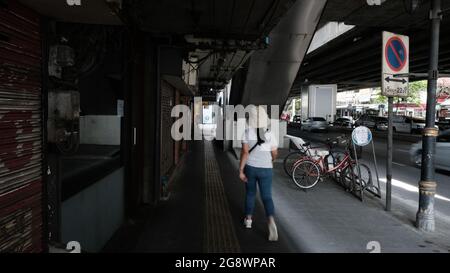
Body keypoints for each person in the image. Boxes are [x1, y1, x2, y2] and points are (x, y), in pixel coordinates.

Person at [238, 106, 279, 241]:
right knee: (267, 196)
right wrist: (270, 160)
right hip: (266, 169)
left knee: (250, 193)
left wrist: (241, 170)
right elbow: (274, 154)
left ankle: (248, 220)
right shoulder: (269, 134)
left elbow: (245, 153)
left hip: (250, 168)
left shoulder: (247, 132)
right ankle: (271, 220)